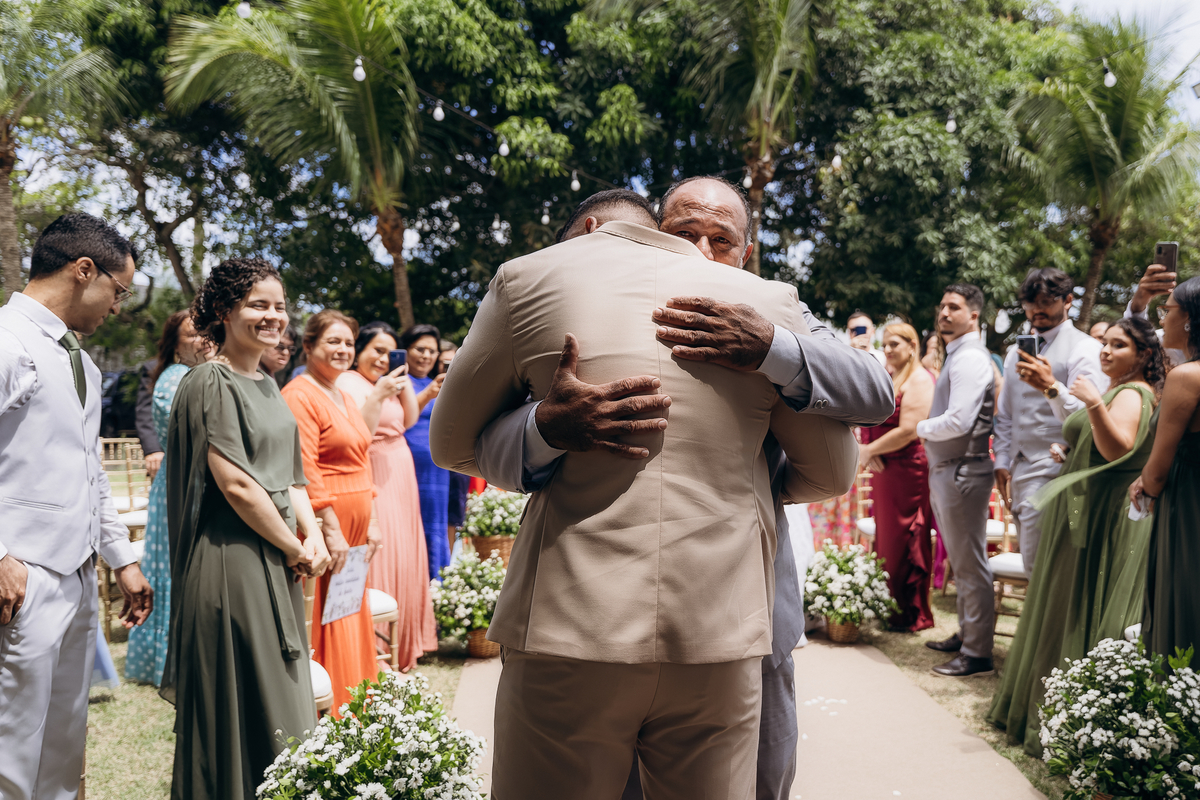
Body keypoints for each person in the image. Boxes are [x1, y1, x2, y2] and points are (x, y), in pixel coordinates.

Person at [430, 177, 872, 799]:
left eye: (723, 238)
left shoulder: (527, 279)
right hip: (719, 626)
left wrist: (541, 434)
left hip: (569, 623)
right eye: (688, 233)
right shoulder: (771, 300)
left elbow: (453, 443)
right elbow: (832, 472)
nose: (702, 249)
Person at [0, 212, 153, 800]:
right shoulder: (9, 342)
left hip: (76, 574)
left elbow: (89, 469)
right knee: (10, 741)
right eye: (118, 291)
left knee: (63, 742)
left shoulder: (81, 362)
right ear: (83, 270)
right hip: (20, 577)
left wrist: (121, 556)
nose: (118, 306)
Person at [163, 257, 328, 800]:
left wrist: (315, 537)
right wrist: (294, 546)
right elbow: (234, 484)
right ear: (222, 311)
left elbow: (291, 478)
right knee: (251, 709)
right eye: (258, 304)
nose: (273, 316)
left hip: (277, 558)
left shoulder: (266, 380)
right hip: (234, 562)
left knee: (283, 709)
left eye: (279, 306)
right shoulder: (210, 380)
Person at [990, 317, 1163, 754]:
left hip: (1102, 517)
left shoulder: (1131, 393)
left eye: (1118, 345)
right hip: (1083, 506)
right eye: (1104, 343)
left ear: (1143, 355)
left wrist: (1092, 404)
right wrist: (1070, 447)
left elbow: (1119, 448)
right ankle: (1056, 711)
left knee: (1078, 605)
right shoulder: (1115, 389)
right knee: (1060, 605)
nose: (1105, 351)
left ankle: (1069, 721)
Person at [283, 310, 382, 713]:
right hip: (330, 523)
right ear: (308, 346)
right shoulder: (299, 393)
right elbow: (305, 468)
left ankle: (359, 697)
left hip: (357, 522)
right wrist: (331, 528)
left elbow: (362, 456)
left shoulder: (341, 393)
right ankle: (334, 704)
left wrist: (372, 517)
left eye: (348, 342)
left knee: (349, 609)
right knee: (329, 614)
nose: (343, 349)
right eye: (333, 342)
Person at [337, 321, 437, 672]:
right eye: (377, 350)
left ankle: (404, 641)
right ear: (359, 351)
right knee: (380, 554)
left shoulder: (391, 380)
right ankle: (372, 646)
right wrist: (380, 393)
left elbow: (409, 419)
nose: (382, 358)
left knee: (405, 551)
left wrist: (402, 381)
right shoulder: (349, 382)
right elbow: (357, 434)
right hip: (371, 467)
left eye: (389, 351)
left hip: (401, 468)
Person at [994, 268, 1106, 576]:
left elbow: (1091, 418)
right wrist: (1002, 460)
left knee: (1043, 571)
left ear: (1068, 300)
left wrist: (1049, 386)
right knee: (1035, 567)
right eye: (1029, 303)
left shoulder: (1086, 349)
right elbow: (1005, 416)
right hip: (1019, 470)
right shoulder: (1015, 352)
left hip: (1061, 472)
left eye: (1045, 301)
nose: (1036, 310)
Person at [125, 310, 212, 686]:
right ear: (174, 342)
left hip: (192, 482)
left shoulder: (196, 375)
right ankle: (172, 660)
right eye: (192, 333)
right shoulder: (174, 379)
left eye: (206, 331)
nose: (201, 339)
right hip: (181, 485)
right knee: (177, 569)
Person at [919, 283, 997, 678]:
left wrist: (918, 426)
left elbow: (959, 421)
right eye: (943, 305)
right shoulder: (959, 355)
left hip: (962, 469)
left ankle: (977, 652)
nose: (945, 312)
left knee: (970, 564)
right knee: (964, 561)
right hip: (952, 469)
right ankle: (968, 634)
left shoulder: (970, 359)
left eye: (955, 306)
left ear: (974, 315)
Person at [1131, 277, 1200, 664]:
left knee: (1183, 597)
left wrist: (1145, 485)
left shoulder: (1187, 377)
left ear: (1189, 318)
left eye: (1167, 309)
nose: (1163, 318)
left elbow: (1157, 470)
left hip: (1186, 505)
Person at [858, 322, 937, 632]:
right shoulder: (892, 377)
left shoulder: (919, 379)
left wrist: (867, 451)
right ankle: (887, 604)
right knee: (887, 540)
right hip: (886, 469)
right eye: (886, 344)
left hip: (908, 471)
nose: (888, 349)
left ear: (912, 346)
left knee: (905, 538)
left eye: (895, 344)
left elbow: (909, 430)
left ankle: (908, 610)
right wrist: (870, 448)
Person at [401, 323, 451, 578]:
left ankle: (436, 584)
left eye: (432, 351)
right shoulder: (399, 381)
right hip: (409, 466)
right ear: (406, 350)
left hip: (437, 469)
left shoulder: (434, 383)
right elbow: (401, 417)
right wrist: (428, 394)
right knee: (413, 523)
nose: (426, 356)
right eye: (420, 349)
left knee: (436, 524)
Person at [439, 341, 471, 552]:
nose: (449, 370)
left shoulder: (467, 389)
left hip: (457, 468)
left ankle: (447, 566)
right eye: (444, 365)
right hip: (430, 468)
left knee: (453, 517)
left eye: (454, 364)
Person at [1125, 262, 1187, 365]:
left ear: (1189, 316)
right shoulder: (1161, 340)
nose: (1162, 321)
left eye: (1168, 311)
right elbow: (1133, 337)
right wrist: (1139, 303)